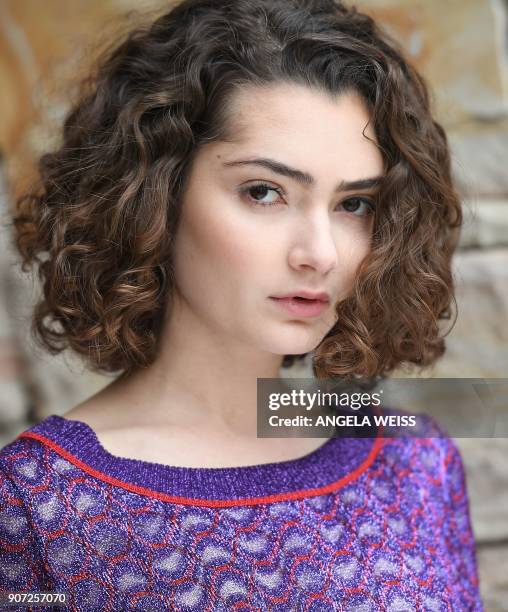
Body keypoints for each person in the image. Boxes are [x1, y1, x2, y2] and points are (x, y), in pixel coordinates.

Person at [0, 0, 482, 609]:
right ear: (154, 194)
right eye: (264, 192)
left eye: (354, 204)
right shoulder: (37, 505)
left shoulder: (414, 459)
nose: (320, 253)